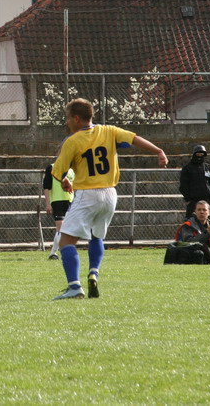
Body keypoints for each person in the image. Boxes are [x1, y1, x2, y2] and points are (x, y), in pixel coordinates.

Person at [51, 98, 168, 300]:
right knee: (97, 236)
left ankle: (74, 287)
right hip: (110, 194)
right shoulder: (109, 131)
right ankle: (94, 272)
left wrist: (63, 179)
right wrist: (158, 151)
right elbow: (134, 139)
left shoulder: (72, 141)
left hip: (88, 193)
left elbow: (57, 171)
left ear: (77, 118)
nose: (67, 122)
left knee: (65, 240)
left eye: (68, 118)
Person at [43, 163, 74, 260]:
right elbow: (46, 187)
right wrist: (48, 203)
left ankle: (53, 252)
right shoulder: (52, 167)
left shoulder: (72, 169)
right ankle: (63, 252)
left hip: (70, 201)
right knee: (60, 228)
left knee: (64, 230)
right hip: (57, 201)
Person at [179, 144, 210, 219]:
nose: (199, 156)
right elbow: (183, 185)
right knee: (190, 222)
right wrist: (188, 199)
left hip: (206, 200)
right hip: (193, 200)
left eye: (201, 154)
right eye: (198, 154)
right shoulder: (187, 168)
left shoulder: (208, 168)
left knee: (207, 223)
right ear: (194, 154)